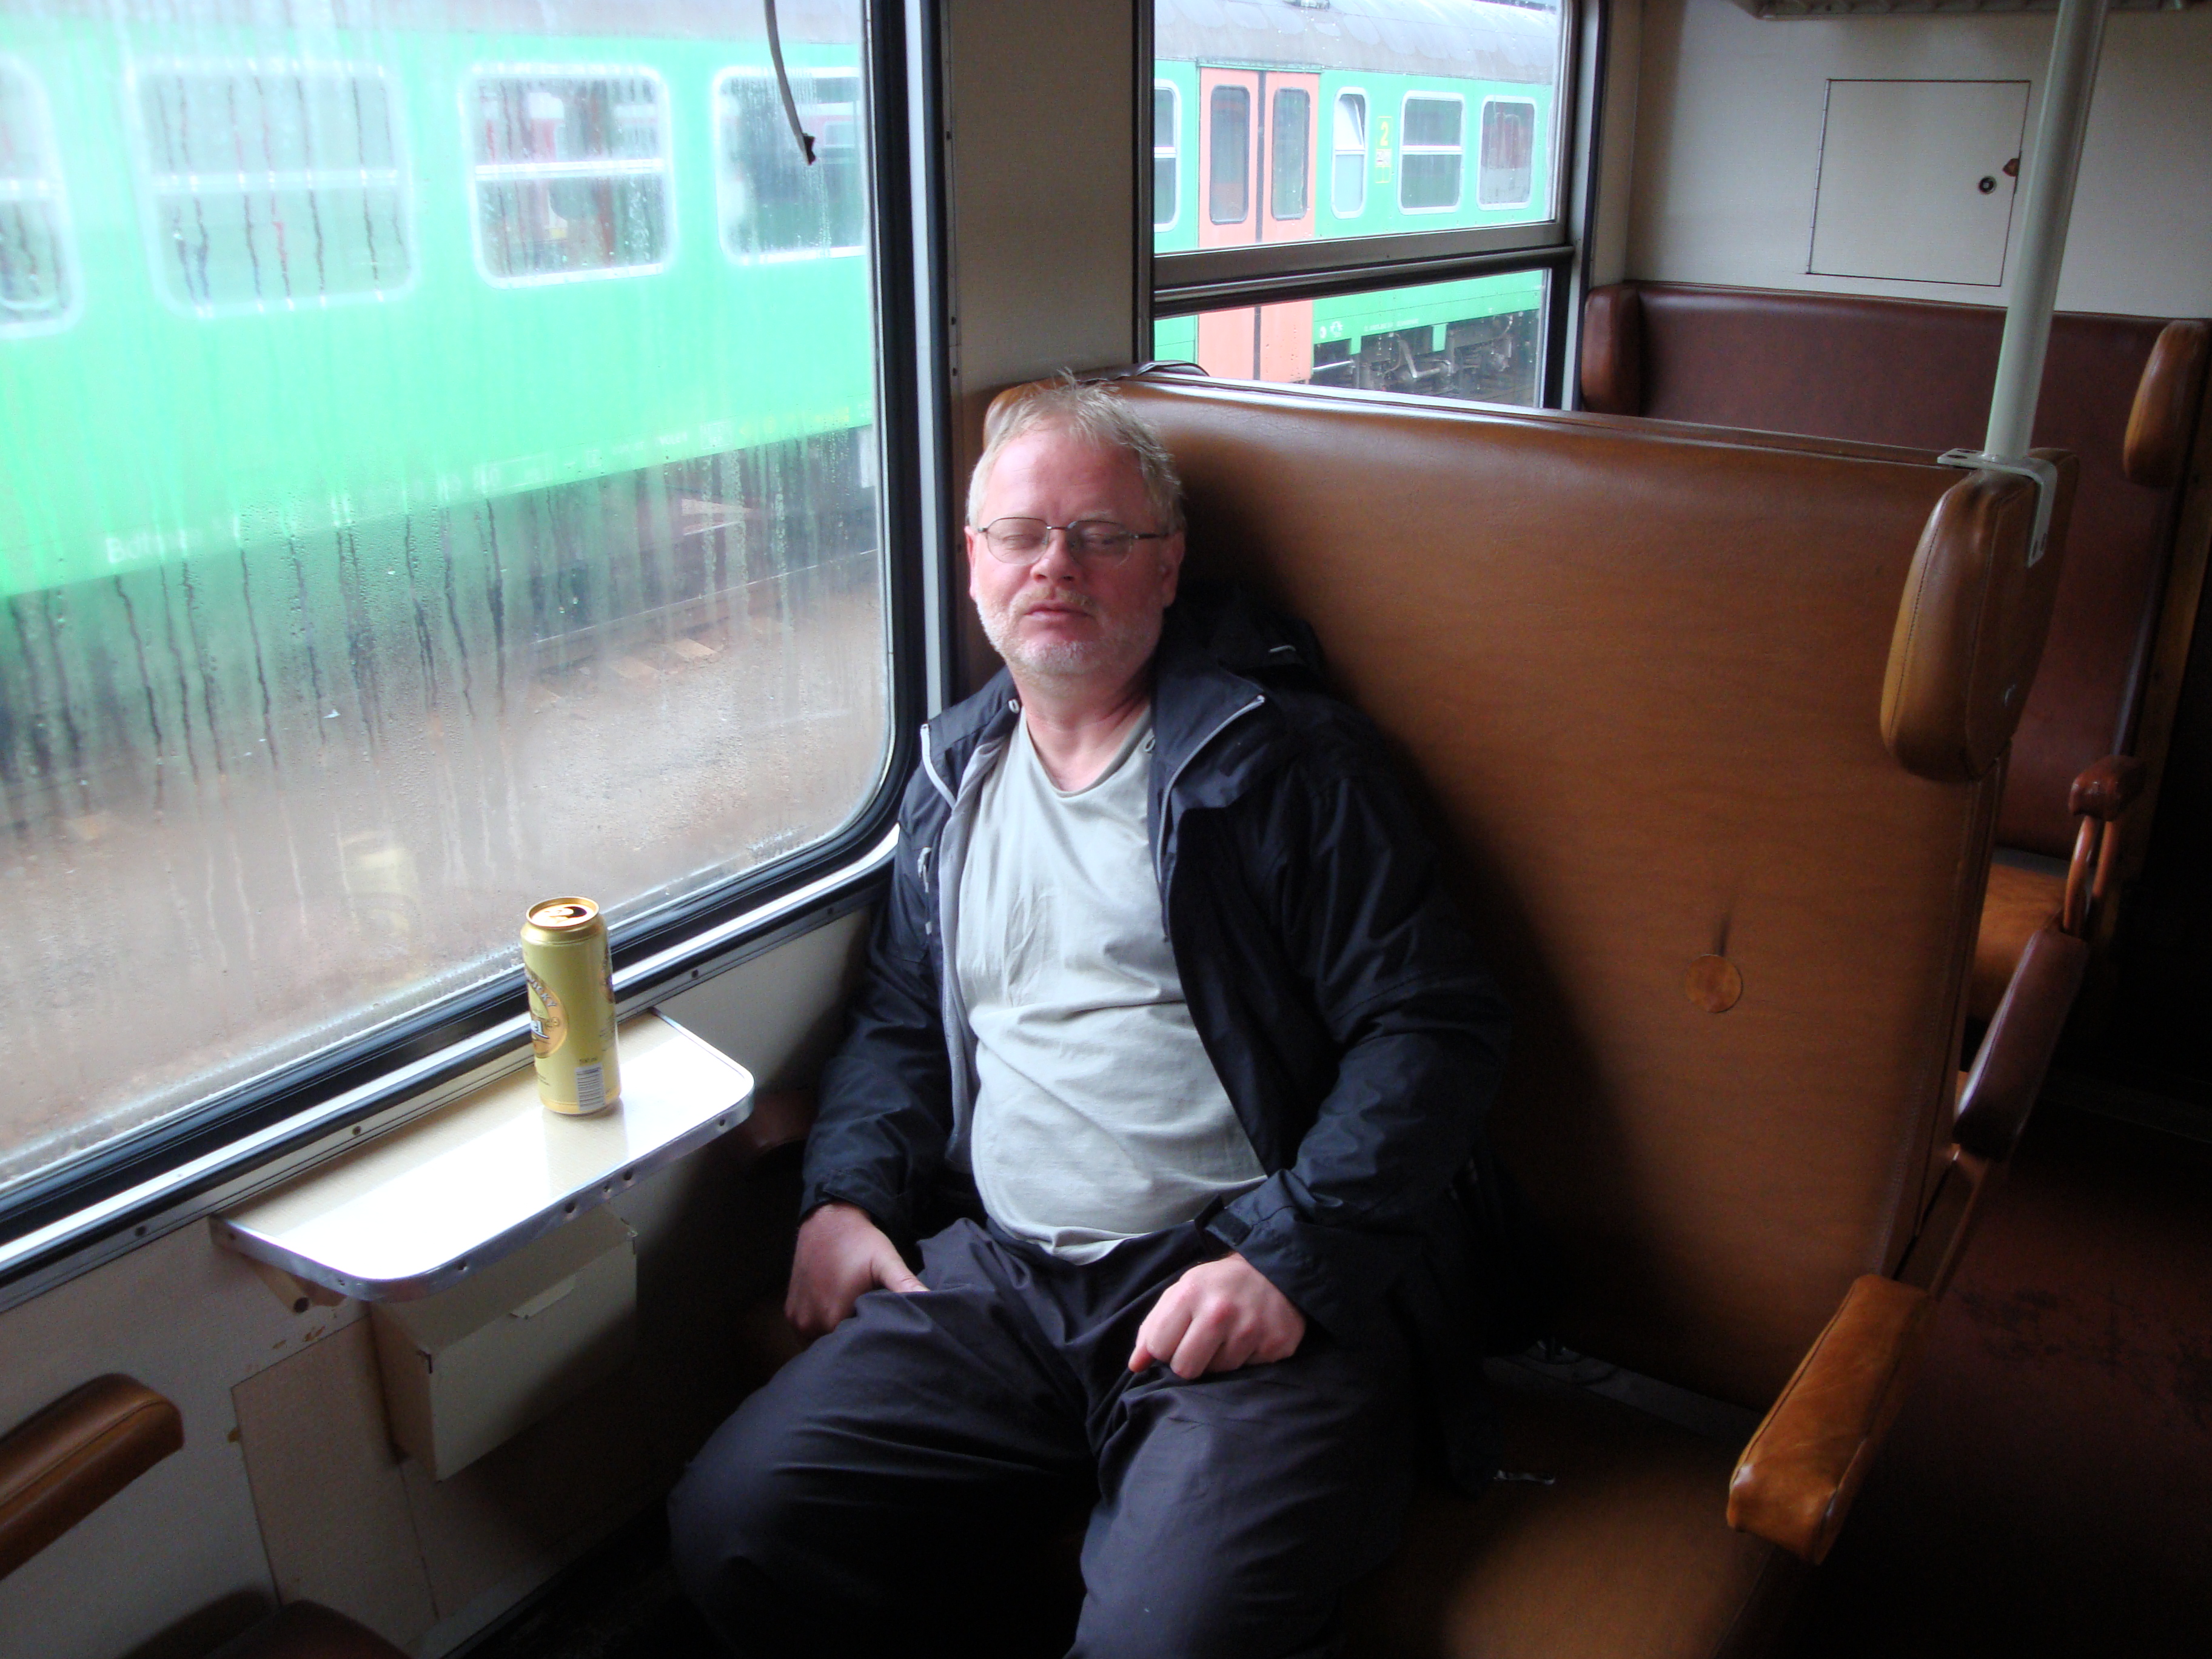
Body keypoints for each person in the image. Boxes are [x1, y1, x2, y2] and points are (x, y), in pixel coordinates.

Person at [669, 379, 1512, 1658]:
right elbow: (902, 1019)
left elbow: (1432, 1029)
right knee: (735, 1526)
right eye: (1020, 535)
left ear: (1167, 568)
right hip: (1003, 1282)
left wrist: (1294, 1256)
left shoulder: (1286, 768)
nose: (1054, 566)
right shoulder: (952, 777)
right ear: (973, 563)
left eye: (1102, 537)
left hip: (1231, 1273)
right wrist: (844, 1196)